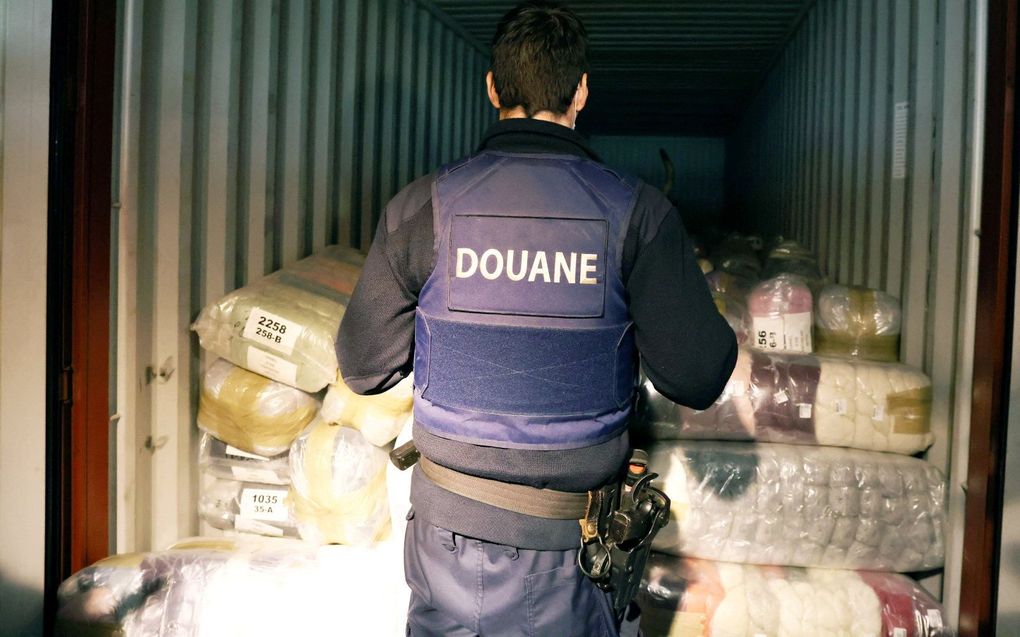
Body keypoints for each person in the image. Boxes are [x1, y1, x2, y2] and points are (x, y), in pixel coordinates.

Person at [338, 2, 737, 635]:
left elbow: (362, 368)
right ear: (581, 91)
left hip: (446, 543)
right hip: (574, 555)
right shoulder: (637, 214)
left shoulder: (423, 208)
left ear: (493, 88)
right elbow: (698, 375)